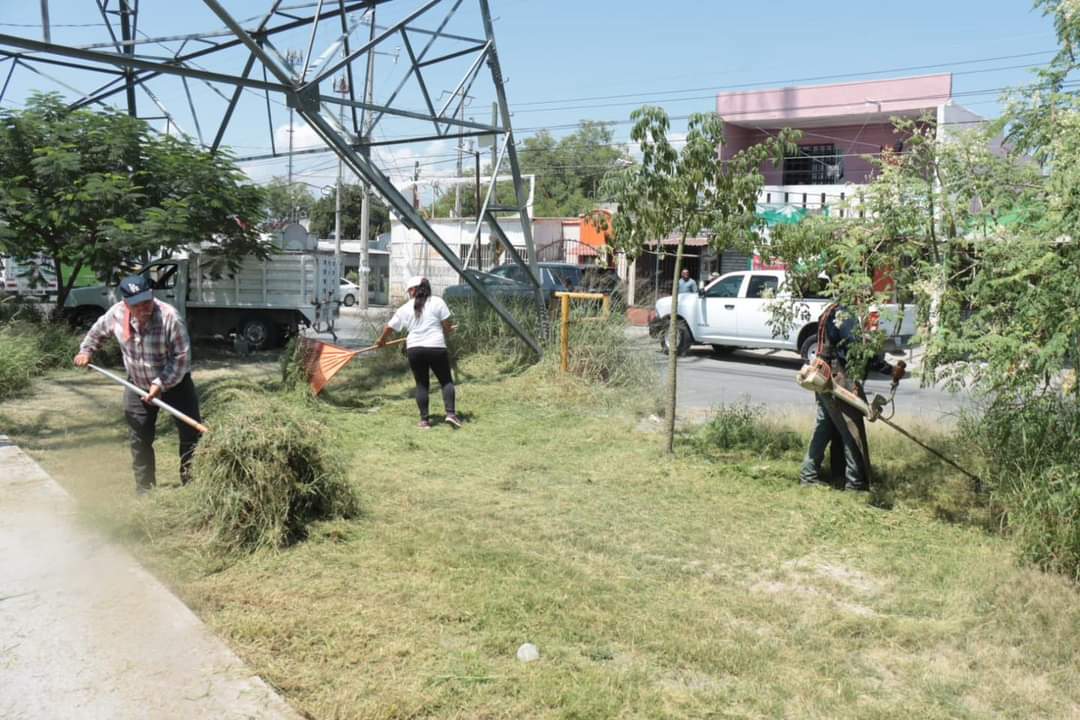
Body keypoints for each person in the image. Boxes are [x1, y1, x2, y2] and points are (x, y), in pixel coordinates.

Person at [73, 275, 202, 494]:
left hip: (175, 383)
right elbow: (96, 333)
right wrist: (86, 351)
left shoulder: (170, 317)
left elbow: (181, 358)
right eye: (137, 305)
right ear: (126, 304)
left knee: (191, 435)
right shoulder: (116, 314)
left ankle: (191, 484)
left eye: (147, 302)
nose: (144, 309)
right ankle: (145, 490)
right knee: (139, 438)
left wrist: (160, 384)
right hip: (137, 384)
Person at [799, 302, 892, 491]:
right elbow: (856, 349)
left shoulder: (831, 309)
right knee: (852, 431)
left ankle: (808, 476)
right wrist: (885, 367)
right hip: (838, 378)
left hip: (822, 374)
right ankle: (855, 484)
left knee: (824, 427)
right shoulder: (845, 314)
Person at [376, 276, 461, 430]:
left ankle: (424, 421)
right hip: (436, 347)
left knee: (422, 384)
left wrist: (381, 341)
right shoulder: (437, 302)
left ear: (414, 290)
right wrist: (449, 330)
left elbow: (389, 327)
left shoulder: (404, 308)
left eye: (409, 290)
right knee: (446, 381)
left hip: (415, 349)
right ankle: (450, 414)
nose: (409, 293)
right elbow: (446, 327)